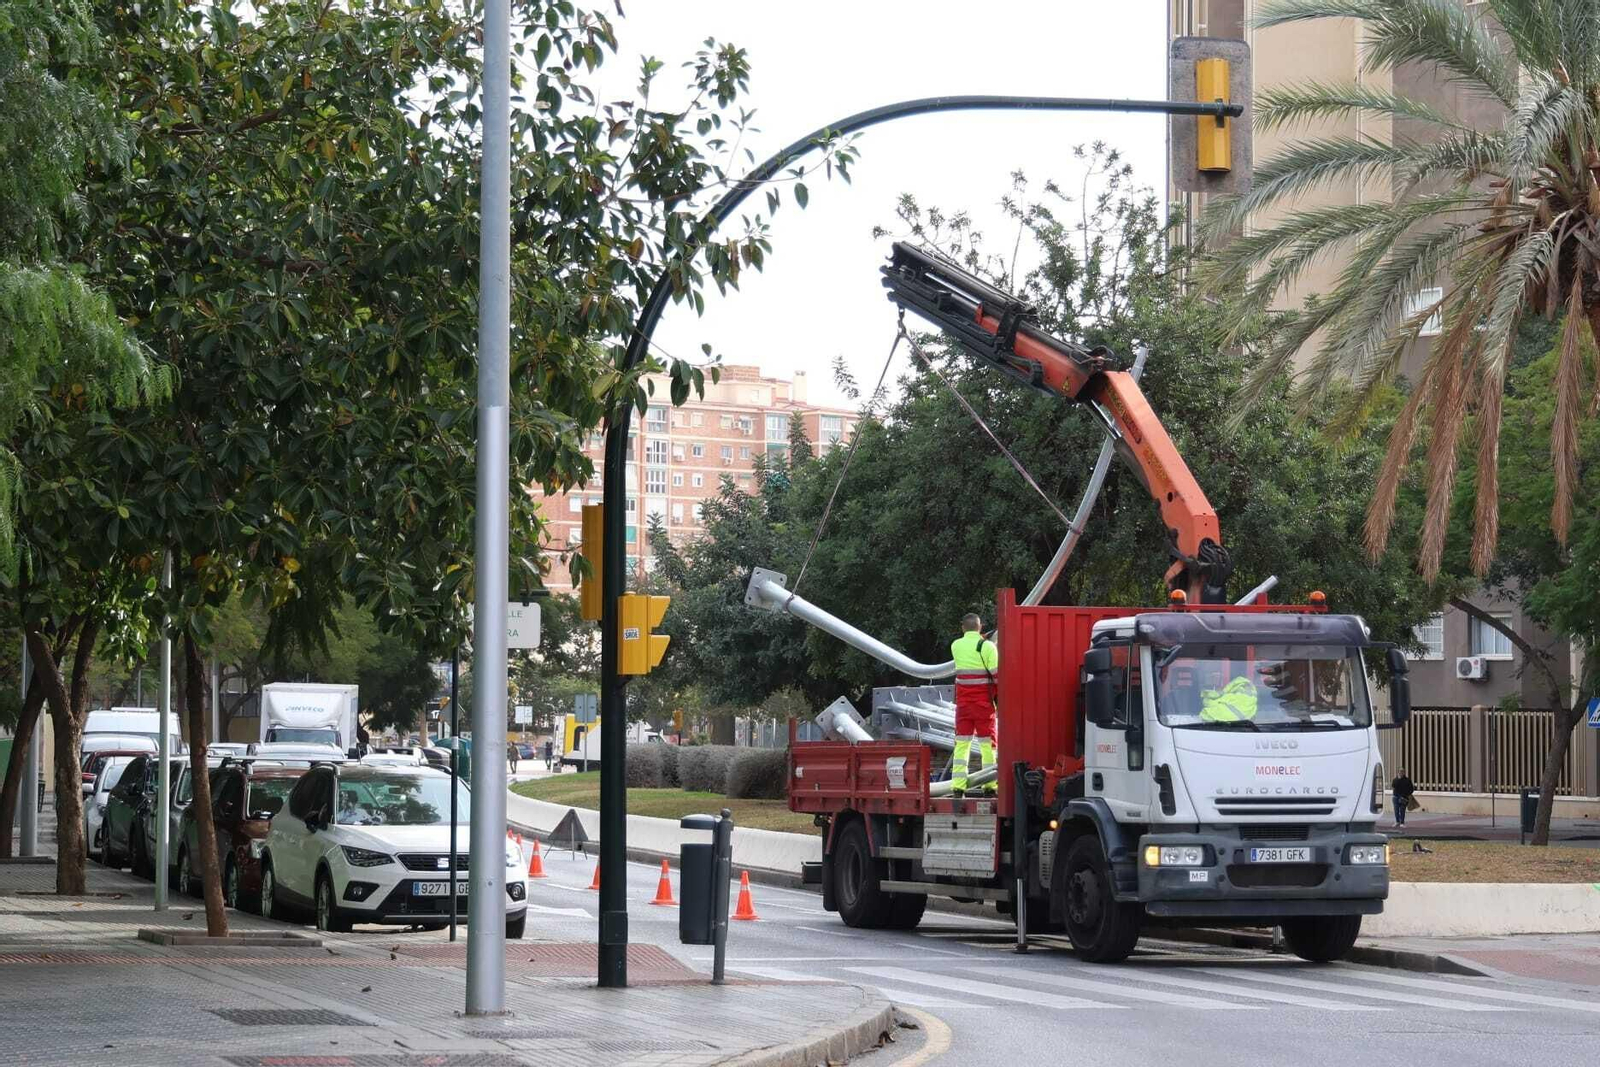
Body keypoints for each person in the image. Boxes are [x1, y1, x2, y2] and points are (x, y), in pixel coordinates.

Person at [950, 613, 999, 796]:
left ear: (963, 628)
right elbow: (997, 675)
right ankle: (989, 785)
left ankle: (958, 786)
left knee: (962, 745)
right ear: (980, 627)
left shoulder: (956, 646)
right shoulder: (987, 647)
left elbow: (969, 649)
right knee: (988, 745)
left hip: (963, 705)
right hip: (983, 705)